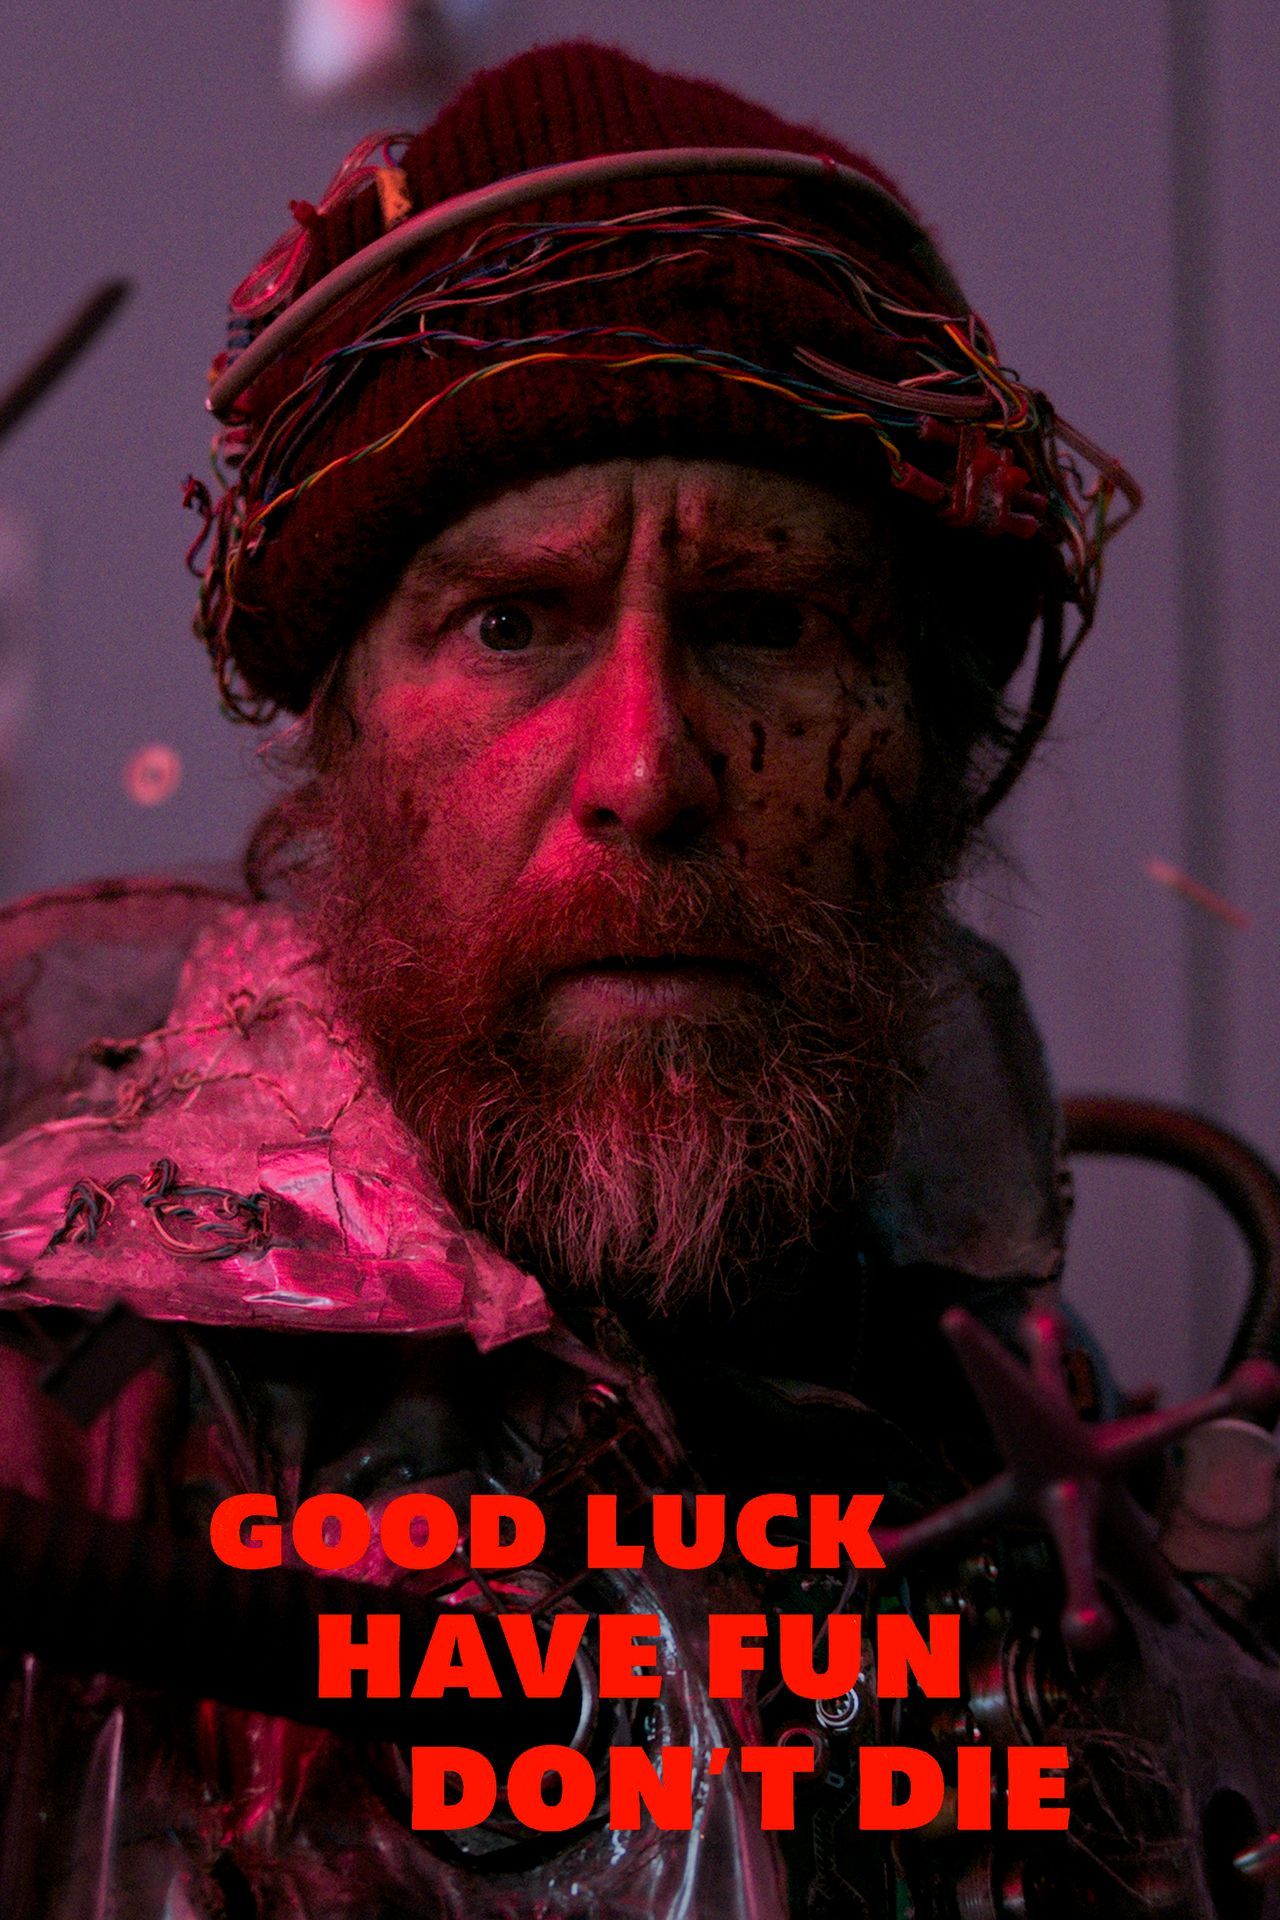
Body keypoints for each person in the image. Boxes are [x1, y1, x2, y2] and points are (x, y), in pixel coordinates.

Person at [5, 38, 1266, 1920]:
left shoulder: (1021, 1411)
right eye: (511, 622)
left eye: (766, 621)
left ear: (939, 752)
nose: (649, 770)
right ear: (333, 755)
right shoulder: (74, 1440)